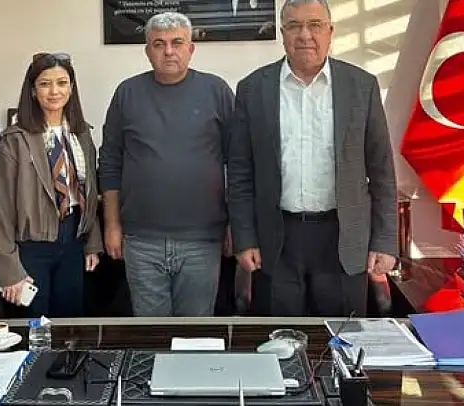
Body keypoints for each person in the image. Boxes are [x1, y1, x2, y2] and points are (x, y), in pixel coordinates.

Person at [227, 0, 398, 317]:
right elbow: (240, 173)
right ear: (282, 34)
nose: (305, 35)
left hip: (343, 238)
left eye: (314, 25)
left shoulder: (361, 86)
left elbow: (382, 172)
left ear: (330, 32)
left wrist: (385, 241)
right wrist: (244, 238)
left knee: (342, 337)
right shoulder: (252, 89)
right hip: (276, 240)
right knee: (279, 338)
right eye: (294, 26)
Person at [99, 11, 234, 317]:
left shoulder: (217, 91)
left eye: (177, 42)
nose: (168, 51)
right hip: (141, 241)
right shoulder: (127, 93)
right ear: (147, 50)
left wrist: (235, 226)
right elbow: (110, 163)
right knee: (151, 334)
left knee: (195, 334)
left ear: (191, 48)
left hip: (202, 240)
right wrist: (112, 225)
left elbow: (237, 163)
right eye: (159, 44)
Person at [0, 52, 103, 318]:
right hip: (31, 247)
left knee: (69, 325)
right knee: (34, 328)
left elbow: (89, 192)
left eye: (62, 83)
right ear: (32, 90)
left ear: (71, 88)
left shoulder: (81, 134)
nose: (54, 91)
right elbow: (1, 209)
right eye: (45, 84)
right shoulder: (15, 140)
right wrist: (9, 269)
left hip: (73, 242)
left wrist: (92, 243)